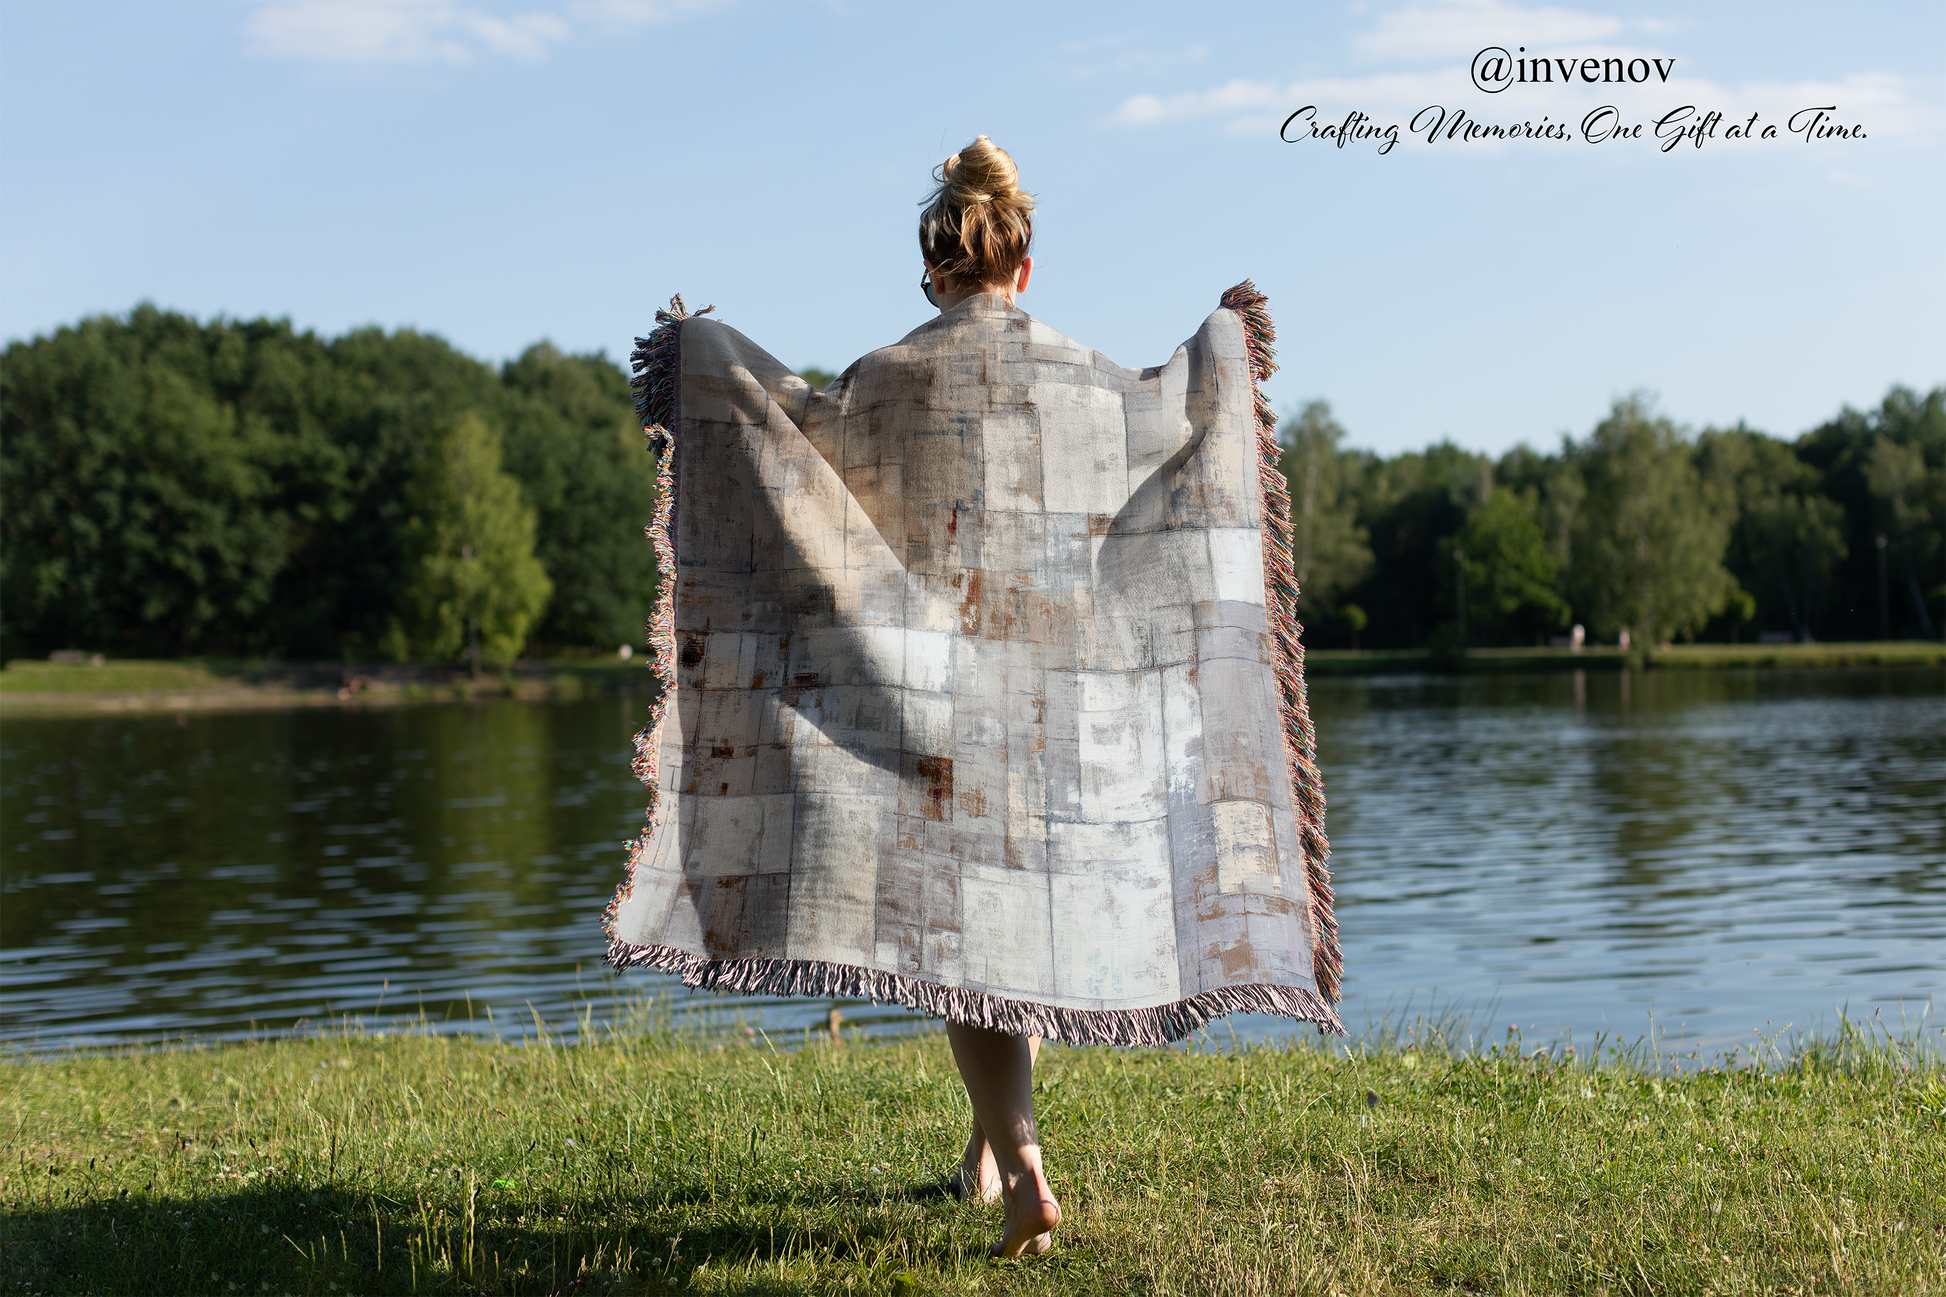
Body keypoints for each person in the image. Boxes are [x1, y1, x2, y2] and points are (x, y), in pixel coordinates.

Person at [606, 136, 1340, 1260]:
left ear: (931, 272)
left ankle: (1021, 1168)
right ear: (1024, 266)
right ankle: (991, 1150)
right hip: (1056, 705)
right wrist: (1222, 353)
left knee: (973, 942)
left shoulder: (880, 382)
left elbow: (791, 450)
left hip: (930, 708)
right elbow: (1167, 427)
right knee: (1012, 930)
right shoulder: (1090, 385)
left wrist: (706, 354)